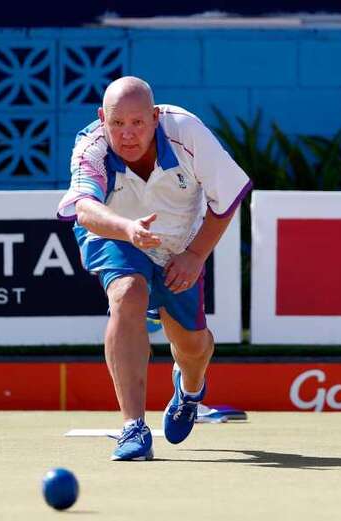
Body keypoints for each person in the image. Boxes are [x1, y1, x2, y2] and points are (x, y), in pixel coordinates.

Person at [56, 76, 251, 461]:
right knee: (127, 293)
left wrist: (195, 255)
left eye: (137, 123)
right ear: (102, 118)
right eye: (116, 123)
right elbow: (84, 209)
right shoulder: (90, 147)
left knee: (193, 347)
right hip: (118, 235)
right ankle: (133, 427)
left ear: (156, 117)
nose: (127, 134)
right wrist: (127, 229)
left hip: (179, 245)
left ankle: (189, 390)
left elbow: (226, 198)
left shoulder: (188, 133)